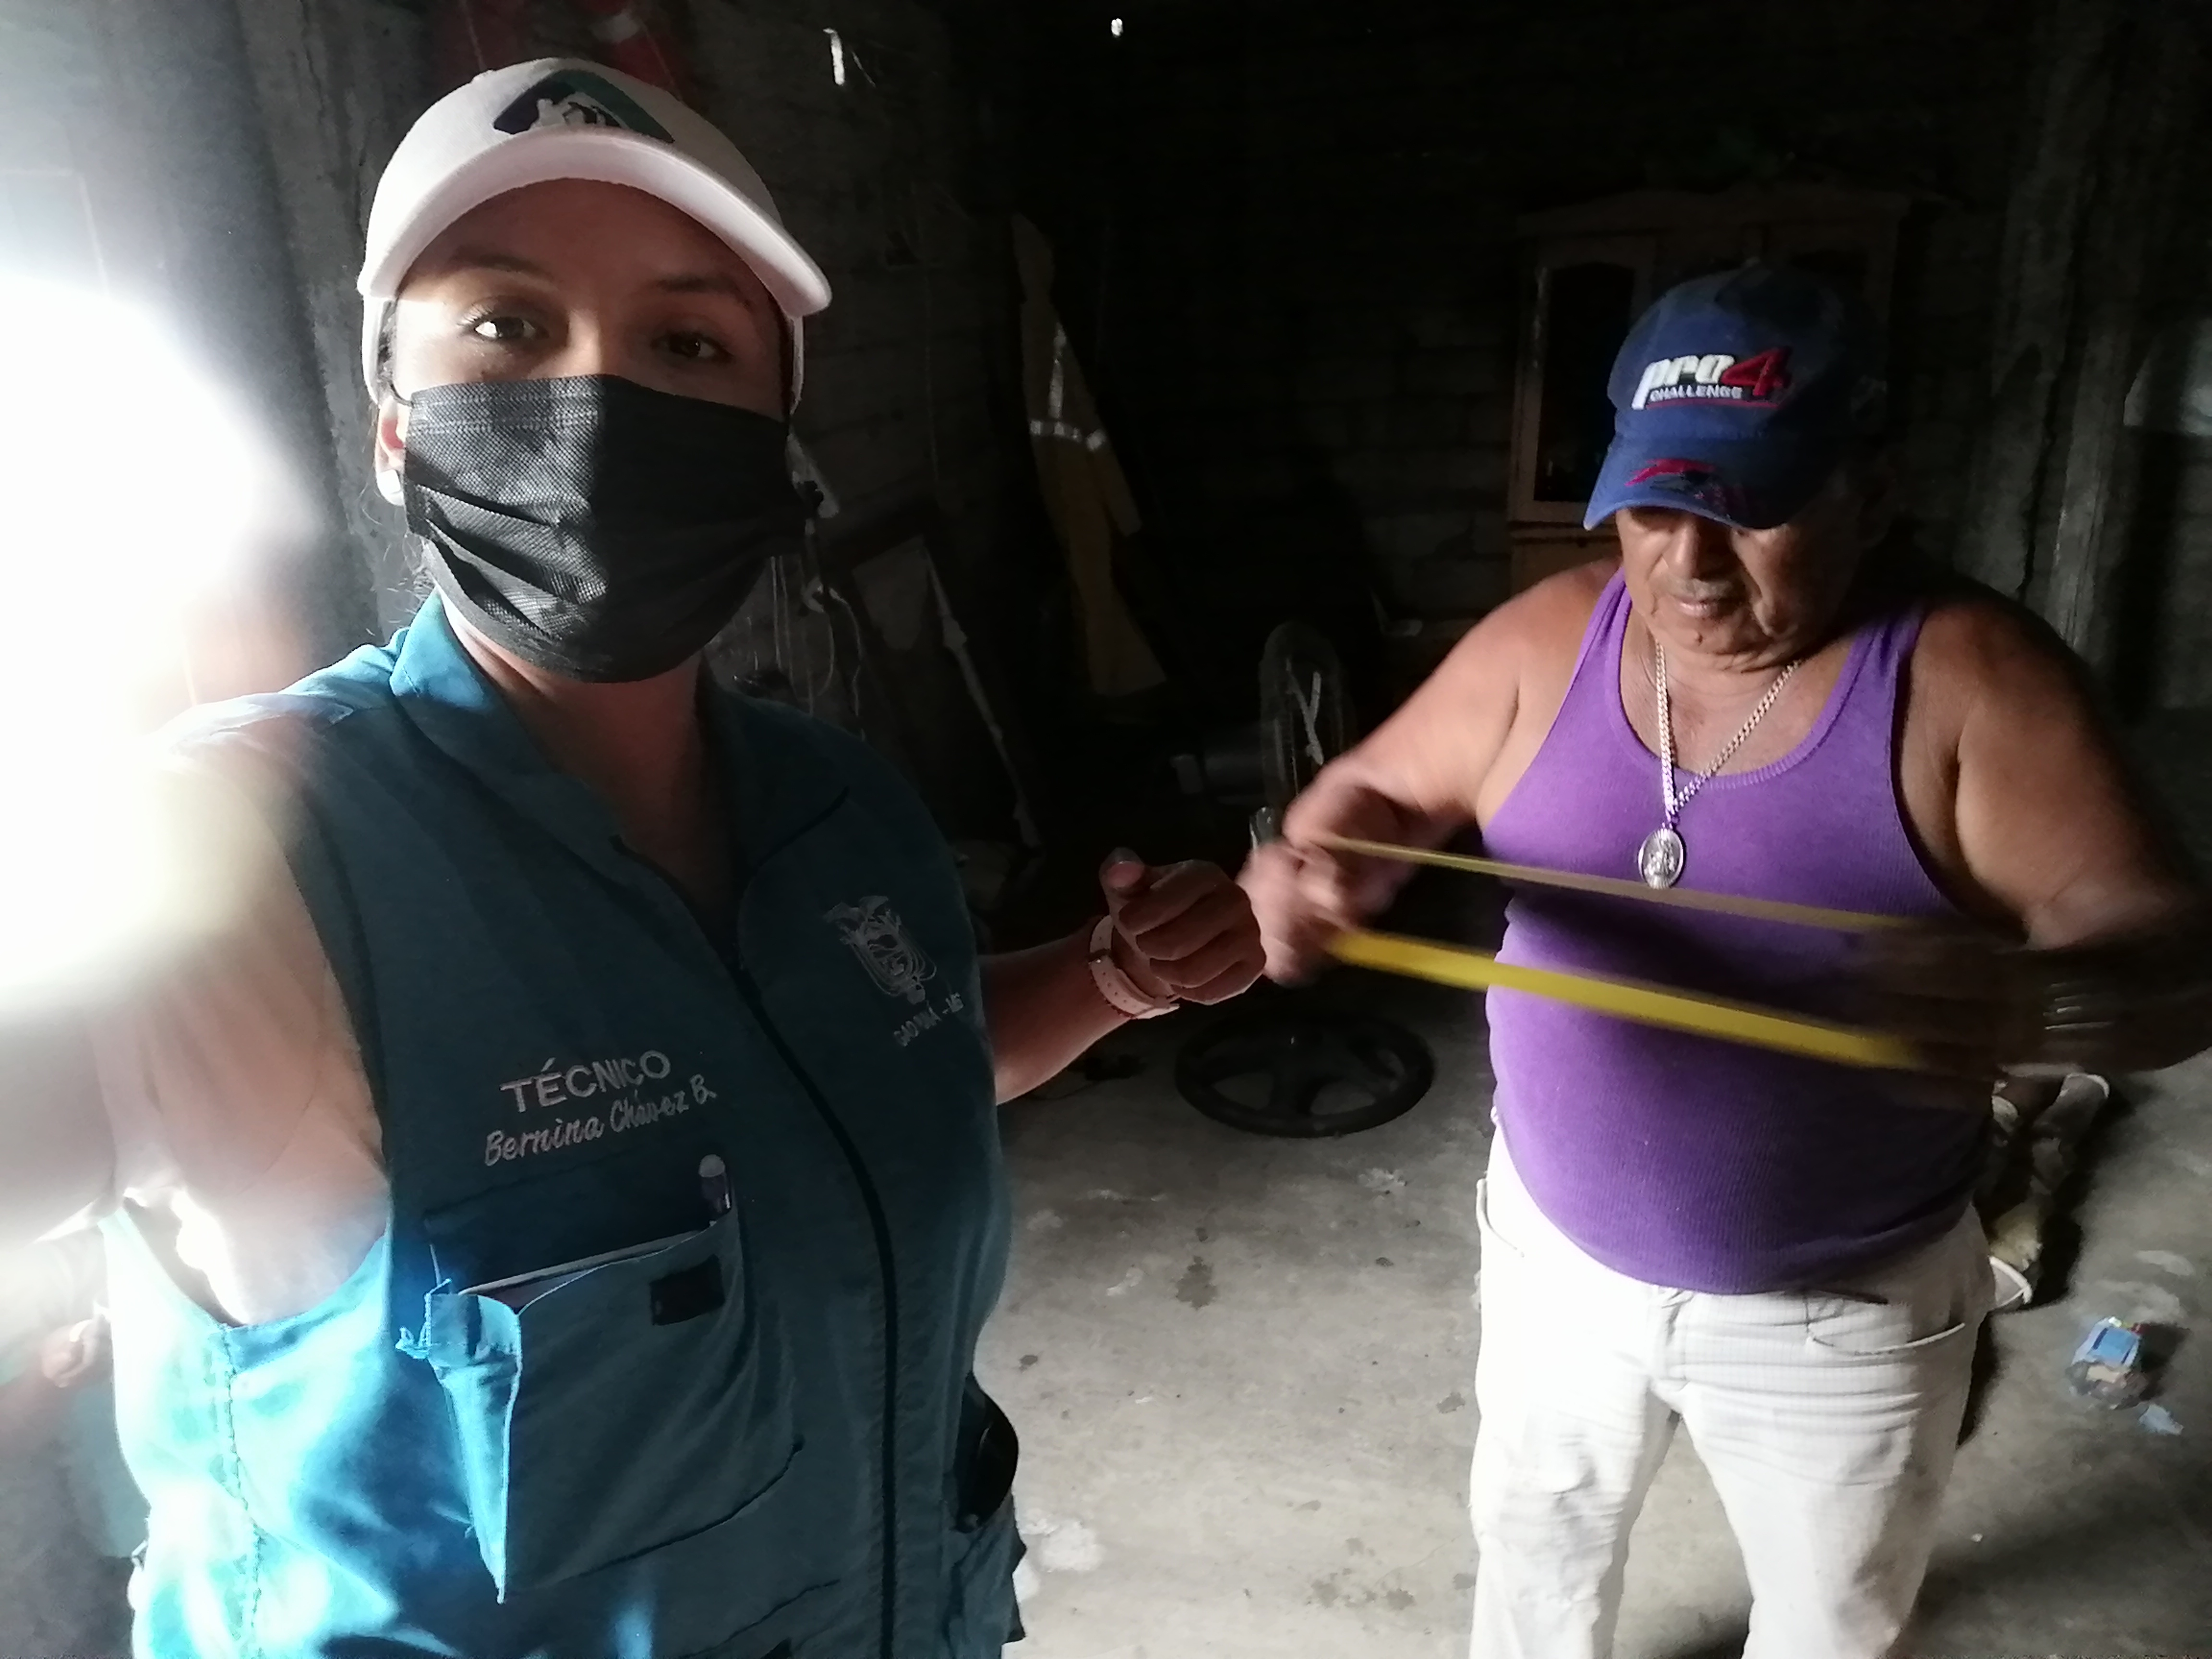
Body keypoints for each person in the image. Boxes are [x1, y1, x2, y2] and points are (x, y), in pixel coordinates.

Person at [0, 59, 1263, 1659]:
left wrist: (1111, 976)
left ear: (772, 446)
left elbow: (900, 1060)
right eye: (507, 324)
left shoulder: (841, 806)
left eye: (689, 345)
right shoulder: (240, 853)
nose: (596, 400)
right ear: (394, 432)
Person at [1242, 263, 2212, 1659]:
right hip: (1553, 1255)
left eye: (1753, 512)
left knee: (1831, 1620)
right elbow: (1377, 794)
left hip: (1841, 1308)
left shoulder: (1969, 681)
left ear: (1871, 493)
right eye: (1655, 509)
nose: (1690, 567)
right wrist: (1324, 860)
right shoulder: (1549, 640)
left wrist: (2040, 1001)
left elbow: (2174, 960)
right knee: (1534, 1556)